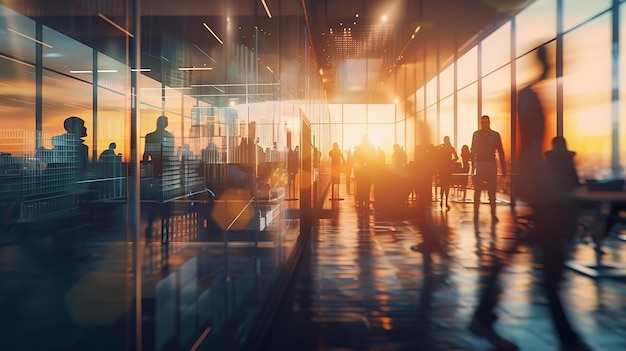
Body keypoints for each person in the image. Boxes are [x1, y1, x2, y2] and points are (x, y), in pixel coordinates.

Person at [469, 46, 590, 351]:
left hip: (539, 184)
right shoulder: (528, 95)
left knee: (532, 254)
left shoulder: (528, 94)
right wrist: (530, 179)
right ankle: (567, 338)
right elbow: (529, 143)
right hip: (539, 186)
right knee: (545, 260)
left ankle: (484, 315)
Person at [470, 115, 506, 225]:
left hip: (490, 164)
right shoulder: (477, 135)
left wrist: (503, 168)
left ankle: (493, 214)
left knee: (491, 190)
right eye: (482, 122)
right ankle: (476, 214)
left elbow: (500, 151)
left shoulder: (495, 135)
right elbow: (473, 150)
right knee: (478, 190)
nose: (483, 124)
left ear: (489, 122)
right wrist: (473, 165)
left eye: (485, 122)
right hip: (480, 163)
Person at [353, 135, 376, 211]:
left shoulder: (359, 149)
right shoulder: (370, 149)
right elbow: (374, 161)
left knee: (361, 188)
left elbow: (356, 160)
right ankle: (366, 205)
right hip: (367, 172)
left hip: (361, 172)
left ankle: (361, 204)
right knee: (367, 188)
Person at [437, 136, 459, 210]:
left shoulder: (442, 148)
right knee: (447, 185)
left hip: (442, 169)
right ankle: (446, 202)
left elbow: (437, 156)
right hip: (448, 168)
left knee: (442, 185)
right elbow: (457, 157)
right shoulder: (451, 148)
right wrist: (451, 162)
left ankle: (441, 201)